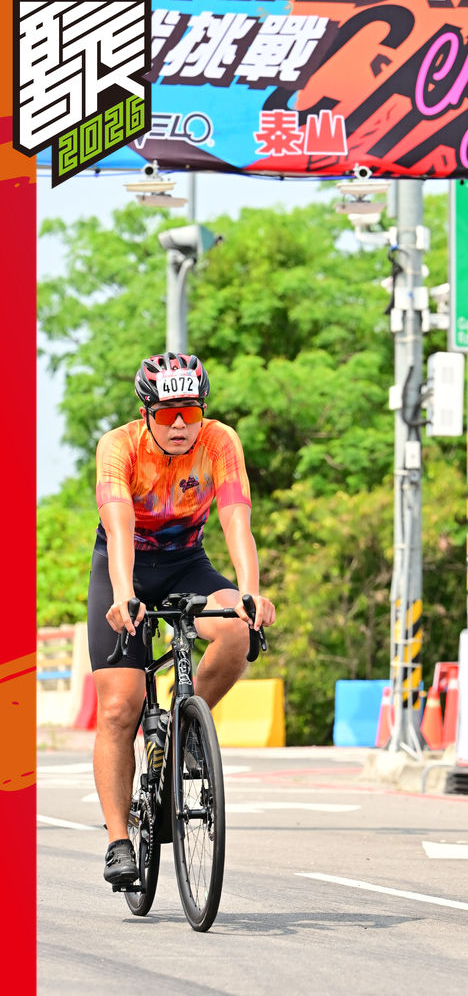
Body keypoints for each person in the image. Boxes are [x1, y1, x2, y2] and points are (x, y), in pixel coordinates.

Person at [88, 352, 276, 886]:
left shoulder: (220, 441)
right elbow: (118, 527)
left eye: (189, 413)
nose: (178, 425)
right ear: (145, 413)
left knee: (236, 629)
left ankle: (182, 726)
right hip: (123, 567)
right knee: (120, 708)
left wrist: (249, 591)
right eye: (167, 414)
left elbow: (236, 519)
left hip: (186, 563)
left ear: (202, 413)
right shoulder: (118, 446)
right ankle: (118, 842)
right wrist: (124, 595)